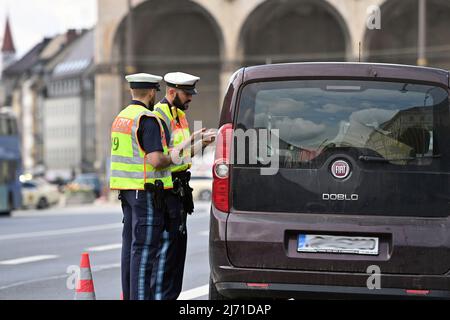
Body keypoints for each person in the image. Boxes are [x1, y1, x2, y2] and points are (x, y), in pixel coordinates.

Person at [110, 73, 176, 300]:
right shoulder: (147, 118)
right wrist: (176, 156)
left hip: (127, 192)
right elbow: (156, 160)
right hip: (145, 191)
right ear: (151, 92)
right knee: (145, 252)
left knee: (131, 250)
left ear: (132, 91)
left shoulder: (122, 117)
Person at [152, 72, 216, 300]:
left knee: (177, 251)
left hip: (179, 188)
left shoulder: (179, 115)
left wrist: (203, 144)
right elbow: (162, 157)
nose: (190, 98)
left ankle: (170, 296)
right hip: (167, 189)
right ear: (171, 91)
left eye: (191, 93)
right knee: (167, 250)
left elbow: (183, 156)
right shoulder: (159, 116)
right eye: (186, 93)